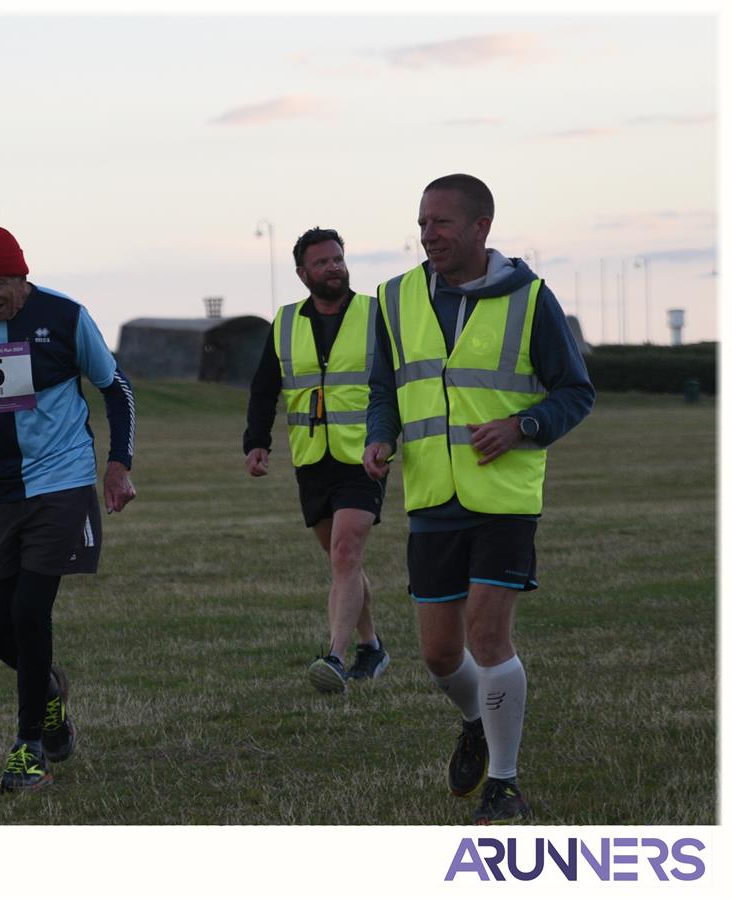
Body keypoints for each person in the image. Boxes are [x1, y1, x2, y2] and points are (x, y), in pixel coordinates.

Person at [363, 174, 594, 824]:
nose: (427, 235)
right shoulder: (395, 298)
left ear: (480, 228)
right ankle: (475, 720)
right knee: (440, 655)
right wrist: (381, 437)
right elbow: (384, 387)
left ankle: (506, 782)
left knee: (488, 636)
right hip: (431, 497)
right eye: (422, 222)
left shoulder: (530, 299)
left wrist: (523, 426)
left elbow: (575, 391)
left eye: (441, 223)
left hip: (505, 498)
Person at [0, 225, 137, 793]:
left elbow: (114, 389)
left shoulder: (66, 316)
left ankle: (30, 748)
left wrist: (119, 464)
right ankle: (48, 695)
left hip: (61, 483)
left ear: (22, 275)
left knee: (28, 611)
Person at [244, 227, 390, 694]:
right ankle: (372, 646)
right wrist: (257, 441)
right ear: (302, 273)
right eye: (323, 262)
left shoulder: (376, 315)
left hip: (364, 454)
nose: (334, 267)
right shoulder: (285, 322)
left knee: (347, 551)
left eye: (339, 259)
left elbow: (398, 380)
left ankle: (336, 657)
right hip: (312, 458)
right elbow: (265, 386)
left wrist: (387, 436)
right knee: (342, 561)